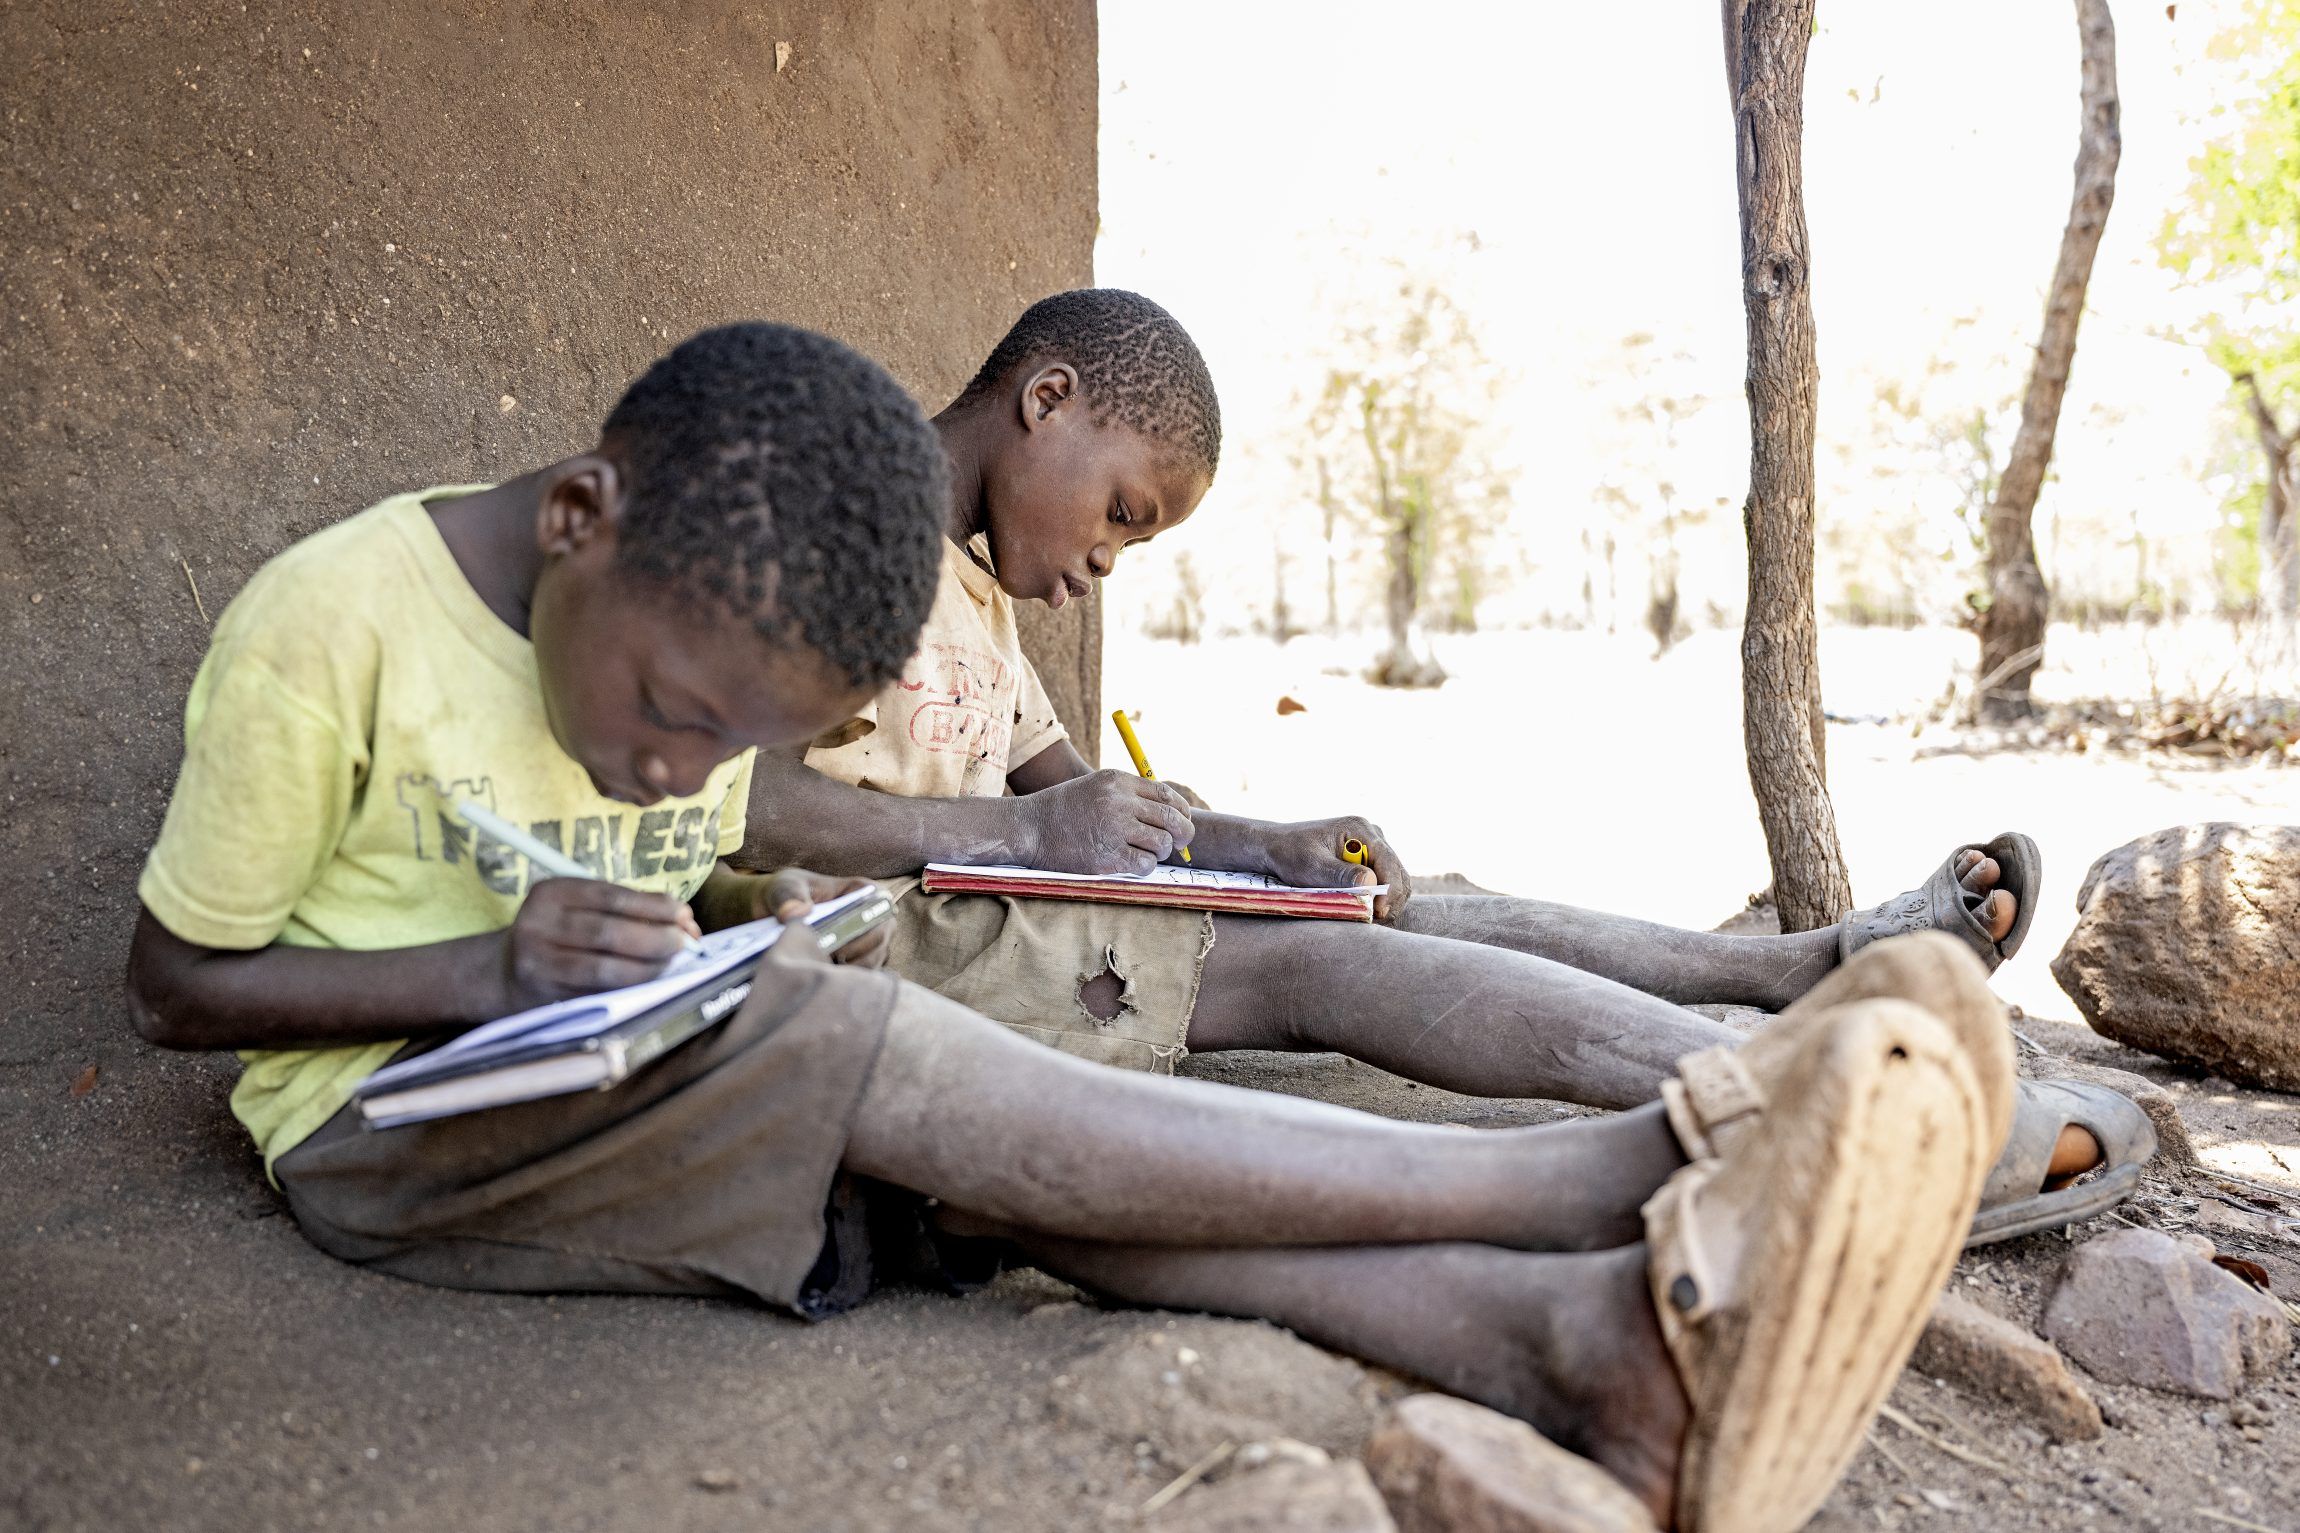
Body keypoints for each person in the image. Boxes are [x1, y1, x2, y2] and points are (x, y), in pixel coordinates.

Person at [125, 320, 2020, 1532]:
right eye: (679, 719)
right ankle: (1615, 1171)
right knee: (865, 1045)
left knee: (1020, 1183)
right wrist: (491, 966)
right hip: (392, 1130)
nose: (669, 771)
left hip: (616, 1070)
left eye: (715, 745)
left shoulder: (693, 633)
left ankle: (1587, 1359)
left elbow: (708, 845)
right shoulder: (330, 626)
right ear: (578, 515)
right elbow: (177, 987)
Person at [739, 290, 2154, 1244]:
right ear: (1047, 398)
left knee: (1371, 906)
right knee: (1321, 972)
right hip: (879, 953)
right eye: (1123, 511)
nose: (1105, 559)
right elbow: (720, 804)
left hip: (1000, 911)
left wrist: (1266, 841)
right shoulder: (826, 526)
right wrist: (1041, 843)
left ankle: (1797, 970)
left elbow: (1059, 800)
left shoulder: (976, 598)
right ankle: (1846, 1112)